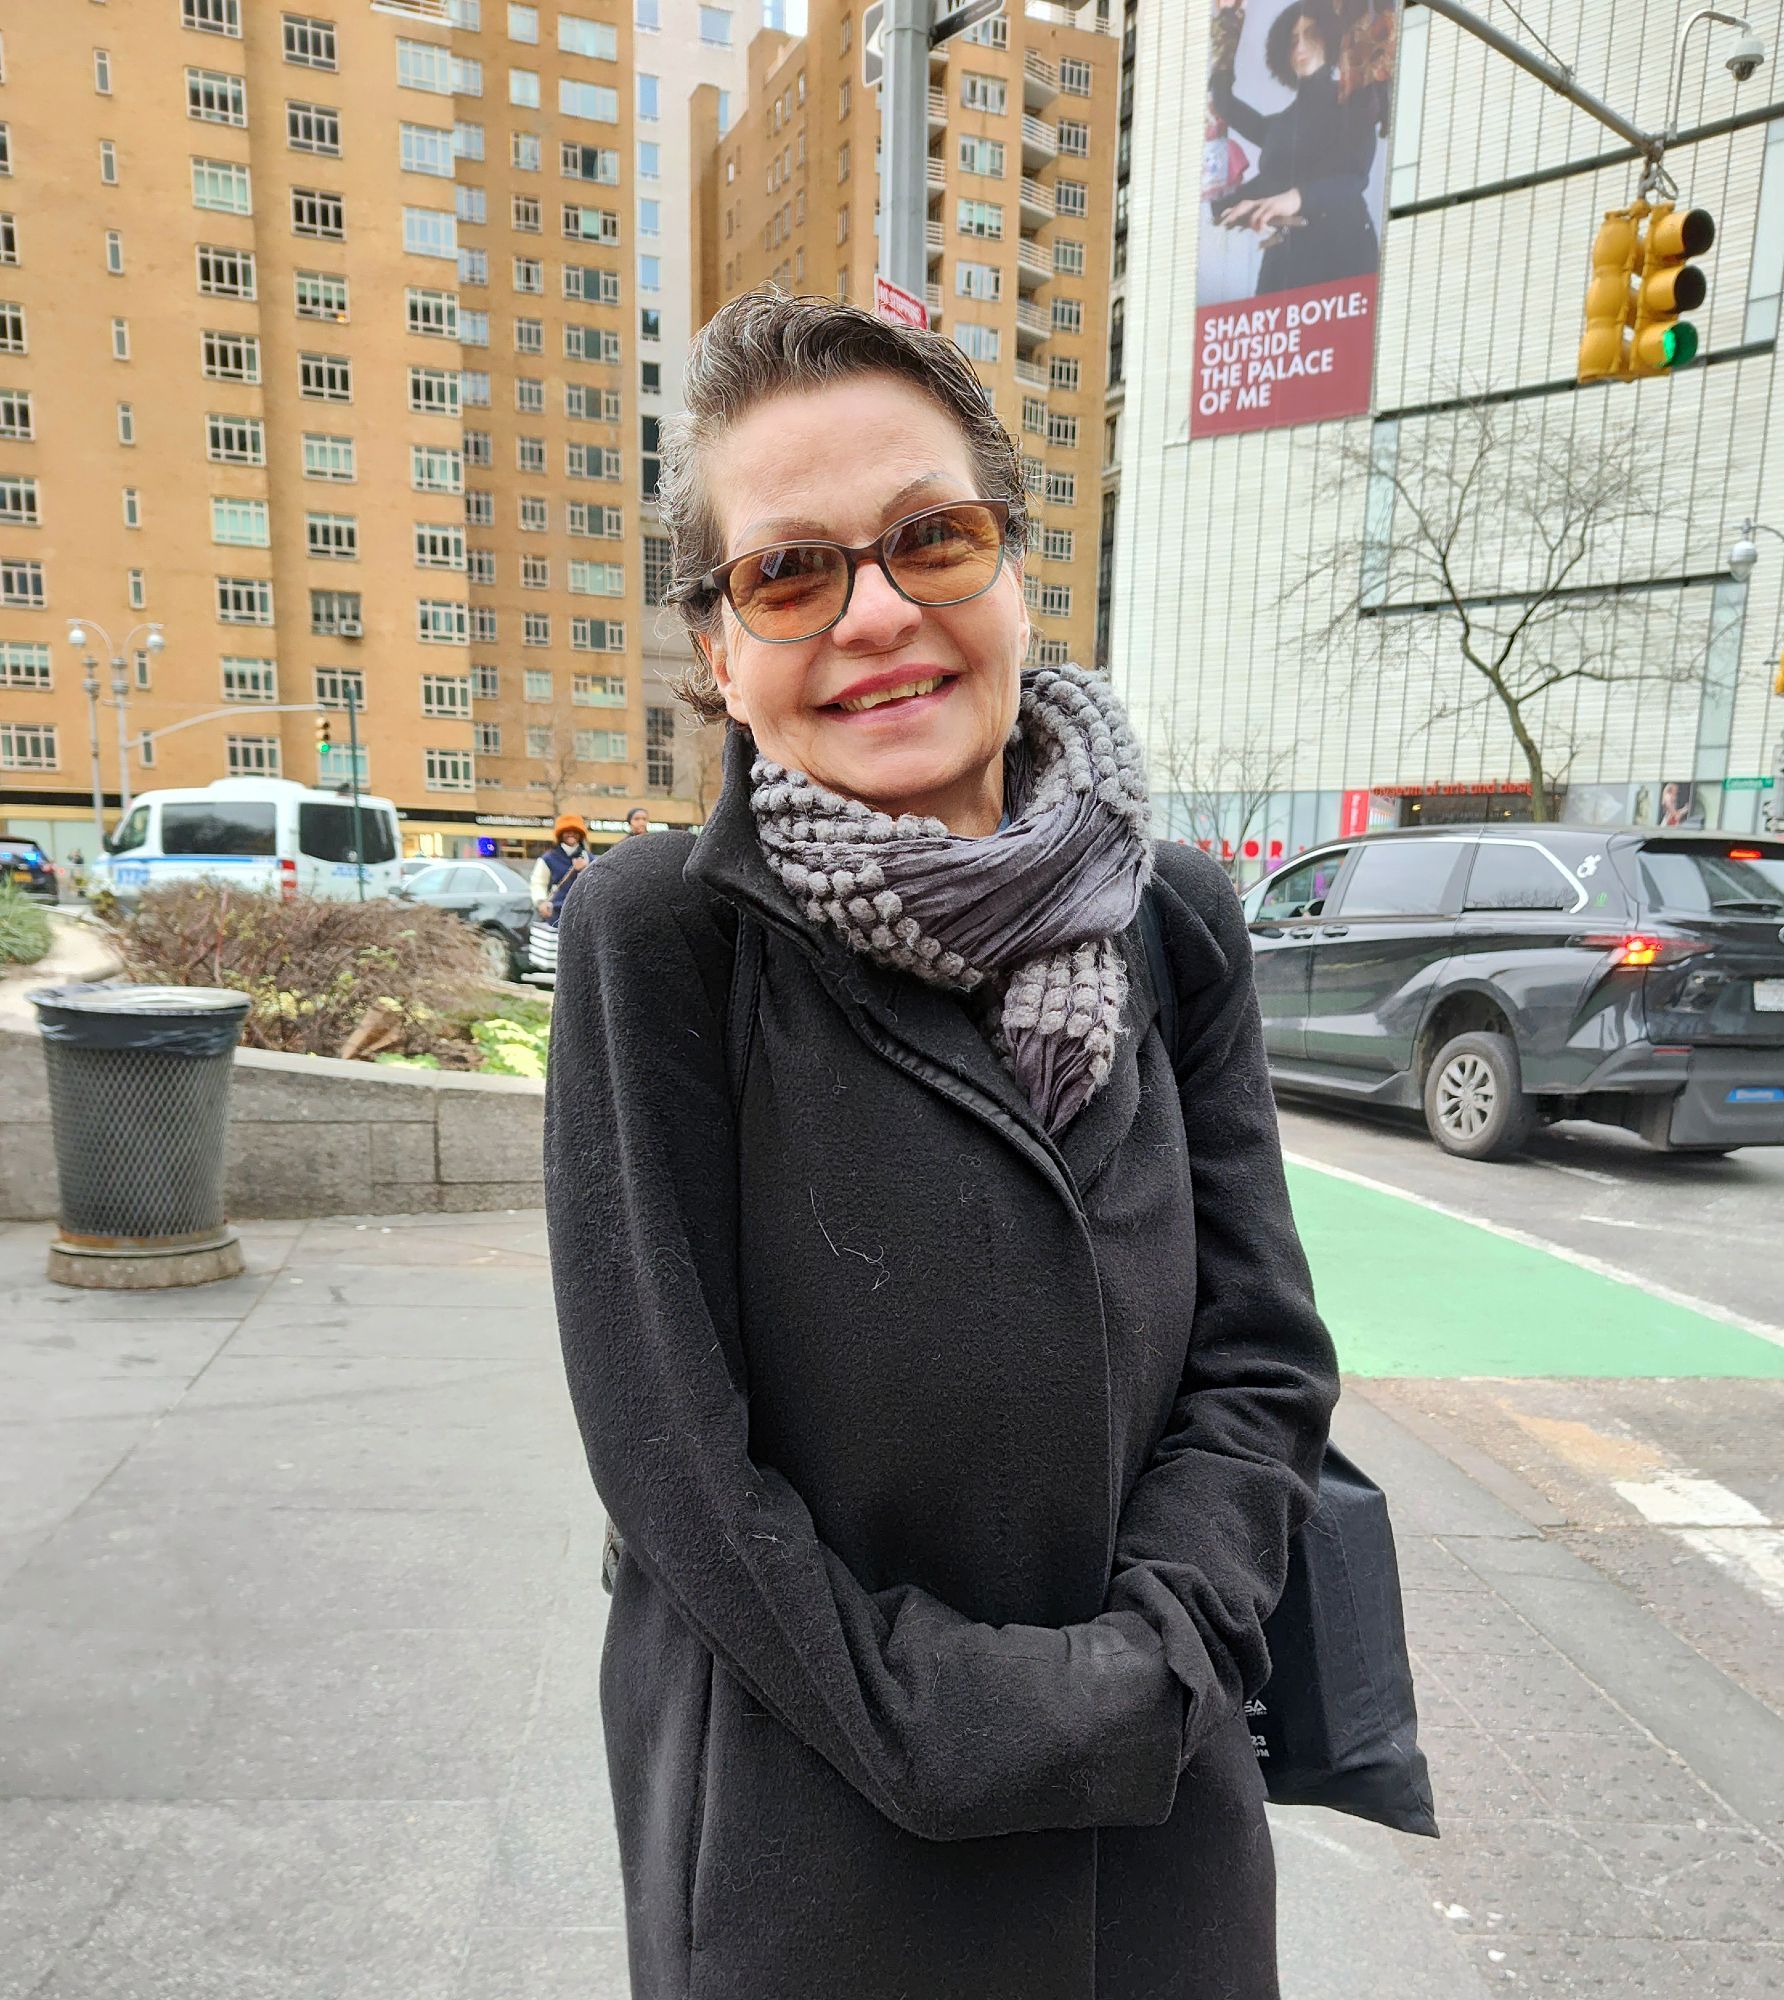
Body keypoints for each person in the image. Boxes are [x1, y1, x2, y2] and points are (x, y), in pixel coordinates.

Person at [544, 291, 1338, 2000]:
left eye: (931, 538)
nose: (878, 614)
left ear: (1013, 567)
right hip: (813, 1827)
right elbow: (674, 1458)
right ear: (718, 649)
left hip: (1157, 1820)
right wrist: (959, 1725)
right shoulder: (659, 940)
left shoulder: (1174, 921)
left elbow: (1260, 1356)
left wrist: (1157, 1663)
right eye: (790, 571)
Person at [1209, 0, 1382, 296]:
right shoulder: (1281, 124)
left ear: (1331, 38)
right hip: (1286, 258)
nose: (1300, 47)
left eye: (1311, 34)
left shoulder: (1355, 97)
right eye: (1292, 41)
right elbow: (1225, 103)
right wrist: (1229, 18)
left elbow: (1354, 176)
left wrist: (1296, 197)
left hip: (1342, 251)